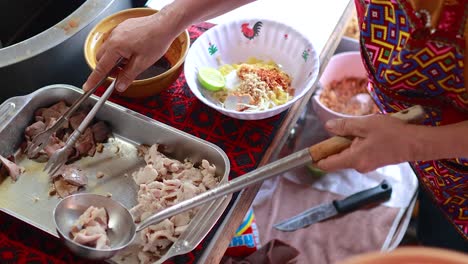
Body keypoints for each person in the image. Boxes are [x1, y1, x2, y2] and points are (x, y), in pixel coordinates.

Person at [83, 0, 468, 251]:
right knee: (437, 227)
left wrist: (417, 143)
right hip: (426, 150)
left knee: (451, 243)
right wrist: (169, 20)